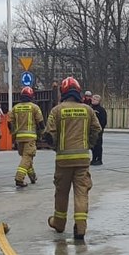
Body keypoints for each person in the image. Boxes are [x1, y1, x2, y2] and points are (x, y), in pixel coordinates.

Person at [44, 77, 102, 241]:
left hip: (63, 160)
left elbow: (49, 134)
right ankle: (81, 227)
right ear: (78, 92)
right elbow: (97, 130)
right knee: (81, 193)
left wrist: (56, 147)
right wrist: (89, 145)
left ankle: (59, 224)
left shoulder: (57, 110)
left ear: (63, 92)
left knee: (61, 192)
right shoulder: (88, 110)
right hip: (83, 159)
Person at [10, 86, 44, 187]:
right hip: (30, 136)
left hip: (19, 137)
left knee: (26, 157)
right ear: (31, 96)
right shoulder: (34, 107)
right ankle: (19, 178)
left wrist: (13, 133)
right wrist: (43, 133)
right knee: (27, 157)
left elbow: (9, 122)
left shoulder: (15, 108)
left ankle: (33, 176)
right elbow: (40, 122)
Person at [89, 94, 107, 166]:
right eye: (93, 99)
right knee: (93, 145)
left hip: (98, 130)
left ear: (99, 101)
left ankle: (99, 159)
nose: (93, 100)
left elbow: (104, 121)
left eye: (95, 99)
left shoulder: (101, 110)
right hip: (91, 130)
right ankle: (94, 159)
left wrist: (100, 128)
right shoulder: (90, 109)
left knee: (98, 145)